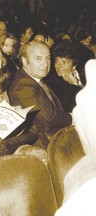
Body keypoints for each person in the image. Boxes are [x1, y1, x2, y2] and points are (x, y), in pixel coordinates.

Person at [8, 41, 72, 148]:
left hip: (54, 136)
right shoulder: (24, 84)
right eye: (38, 59)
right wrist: (73, 118)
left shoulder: (35, 78)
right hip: (42, 144)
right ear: (24, 60)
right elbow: (49, 118)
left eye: (48, 58)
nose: (45, 63)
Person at [55, 59, 96, 216]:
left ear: (74, 66)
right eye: (56, 61)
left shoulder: (83, 84)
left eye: (64, 62)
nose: (58, 66)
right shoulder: (57, 84)